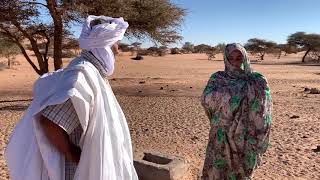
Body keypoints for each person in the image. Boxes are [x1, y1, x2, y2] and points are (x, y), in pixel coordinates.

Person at [5, 15, 138, 180]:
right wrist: (76, 156)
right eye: (115, 47)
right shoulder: (81, 75)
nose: (117, 51)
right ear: (104, 46)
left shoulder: (92, 72)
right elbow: (50, 123)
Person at [201, 43, 272, 180]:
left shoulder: (256, 81)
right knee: (216, 170)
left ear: (244, 59)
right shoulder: (218, 78)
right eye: (231, 58)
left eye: (238, 58)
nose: (234, 62)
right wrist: (233, 95)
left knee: (239, 171)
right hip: (220, 136)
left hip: (244, 137)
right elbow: (206, 99)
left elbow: (263, 111)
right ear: (226, 59)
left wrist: (226, 96)